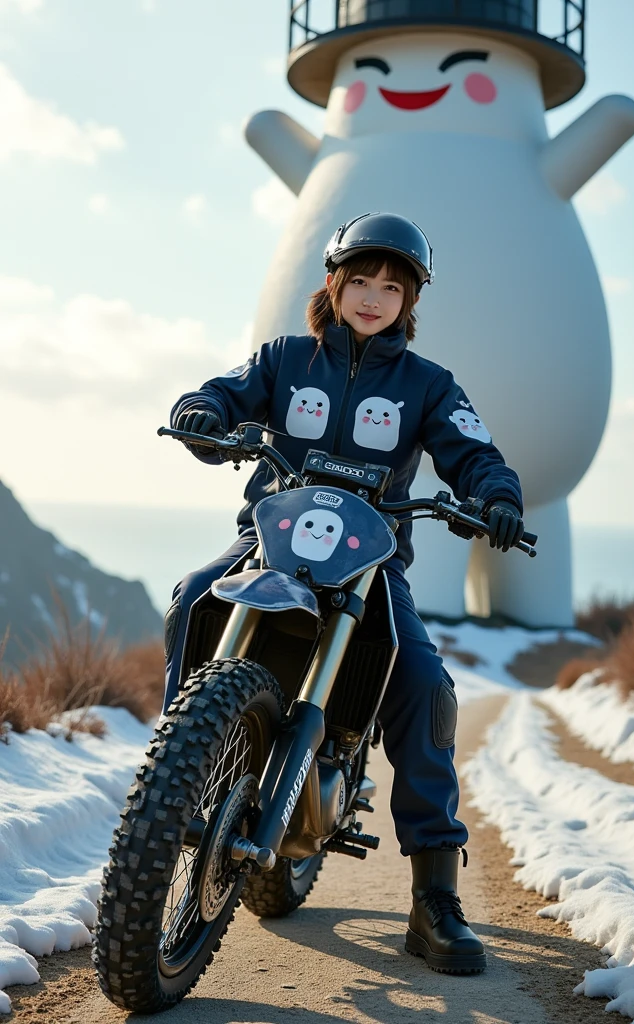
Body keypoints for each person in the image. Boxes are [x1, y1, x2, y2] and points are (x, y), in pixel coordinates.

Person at [164, 212, 525, 975]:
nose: (372, 296)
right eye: (360, 279)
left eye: (392, 287)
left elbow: (474, 450)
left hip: (372, 564)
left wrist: (495, 496)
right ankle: (175, 778)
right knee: (192, 596)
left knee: (424, 684)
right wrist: (203, 413)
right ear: (333, 283)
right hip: (270, 540)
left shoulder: (429, 385)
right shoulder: (285, 357)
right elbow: (226, 393)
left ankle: (434, 898)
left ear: (409, 302)